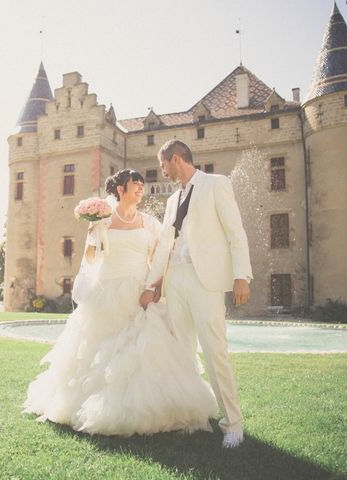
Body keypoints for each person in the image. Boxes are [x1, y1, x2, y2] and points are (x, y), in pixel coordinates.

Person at [23, 169, 217, 436]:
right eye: (134, 185)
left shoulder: (148, 222)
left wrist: (155, 286)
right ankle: (91, 404)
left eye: (142, 185)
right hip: (107, 290)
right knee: (97, 351)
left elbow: (159, 256)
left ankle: (158, 406)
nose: (140, 189)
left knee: (147, 348)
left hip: (138, 291)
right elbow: (91, 260)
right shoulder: (103, 220)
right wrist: (93, 235)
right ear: (120, 190)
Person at [139, 139, 252, 448]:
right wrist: (153, 285)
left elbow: (235, 231)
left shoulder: (216, 184)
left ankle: (233, 424)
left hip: (205, 281)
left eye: (163, 165)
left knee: (215, 352)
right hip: (175, 281)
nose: (161, 171)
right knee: (183, 352)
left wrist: (241, 275)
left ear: (176, 159)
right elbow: (165, 245)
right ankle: (193, 417)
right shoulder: (172, 200)